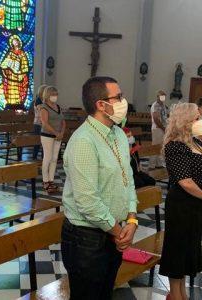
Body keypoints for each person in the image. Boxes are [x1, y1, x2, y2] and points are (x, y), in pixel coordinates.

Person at [61, 76, 138, 299]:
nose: (124, 101)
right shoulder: (84, 140)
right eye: (119, 97)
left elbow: (128, 178)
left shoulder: (118, 135)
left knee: (105, 294)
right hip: (87, 239)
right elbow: (87, 200)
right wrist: (119, 232)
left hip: (114, 233)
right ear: (101, 105)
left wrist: (131, 220)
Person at [160, 103, 202, 300]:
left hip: (196, 204)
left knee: (188, 249)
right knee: (177, 249)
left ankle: (182, 293)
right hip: (181, 205)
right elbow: (185, 181)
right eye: (195, 118)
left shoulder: (197, 143)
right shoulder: (175, 146)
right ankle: (175, 295)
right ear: (184, 121)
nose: (199, 121)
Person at [40, 86, 66, 193]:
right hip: (47, 135)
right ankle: (45, 181)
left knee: (55, 158)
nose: (55, 96)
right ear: (47, 95)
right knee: (48, 157)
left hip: (58, 136)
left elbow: (63, 121)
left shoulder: (58, 107)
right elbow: (45, 123)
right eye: (53, 94)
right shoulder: (43, 107)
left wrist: (61, 133)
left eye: (56, 94)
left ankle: (51, 180)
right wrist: (56, 133)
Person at [149, 90, 168, 169]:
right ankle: (152, 165)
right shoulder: (155, 105)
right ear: (157, 97)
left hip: (162, 128)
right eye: (161, 96)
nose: (163, 98)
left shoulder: (162, 105)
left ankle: (159, 164)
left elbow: (164, 116)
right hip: (158, 128)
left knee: (160, 147)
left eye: (164, 97)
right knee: (155, 147)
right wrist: (163, 128)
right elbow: (156, 119)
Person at [32, 84, 48, 159]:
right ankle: (34, 157)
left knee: (44, 142)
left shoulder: (45, 100)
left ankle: (44, 157)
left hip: (44, 123)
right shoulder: (38, 100)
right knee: (37, 142)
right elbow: (41, 109)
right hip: (38, 124)